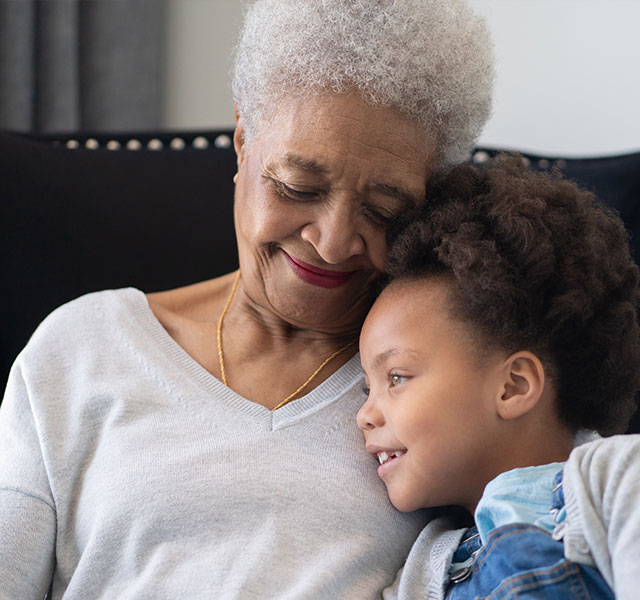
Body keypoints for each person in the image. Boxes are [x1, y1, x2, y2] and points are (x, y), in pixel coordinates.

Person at [0, 0, 494, 597]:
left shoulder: (459, 377)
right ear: (242, 144)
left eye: (383, 210)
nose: (333, 242)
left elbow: (588, 500)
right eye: (298, 187)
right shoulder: (80, 348)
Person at [357, 155, 640, 599]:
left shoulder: (615, 479)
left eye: (396, 377)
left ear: (514, 386)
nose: (364, 415)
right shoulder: (424, 568)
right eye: (365, 387)